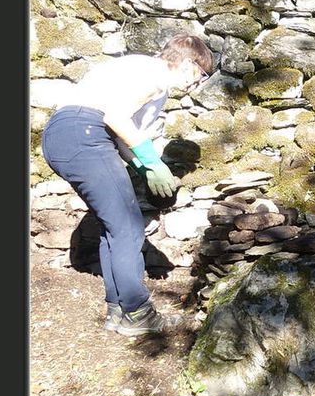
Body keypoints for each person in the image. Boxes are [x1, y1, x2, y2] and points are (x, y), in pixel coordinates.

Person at [40, 35, 215, 337]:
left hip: (68, 134)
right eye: (202, 75)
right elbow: (115, 117)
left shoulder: (138, 69)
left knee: (117, 225)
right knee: (128, 227)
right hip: (84, 133)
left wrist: (143, 168)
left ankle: (119, 312)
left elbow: (121, 136)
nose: (199, 84)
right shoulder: (156, 75)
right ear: (188, 64)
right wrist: (153, 163)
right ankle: (137, 312)